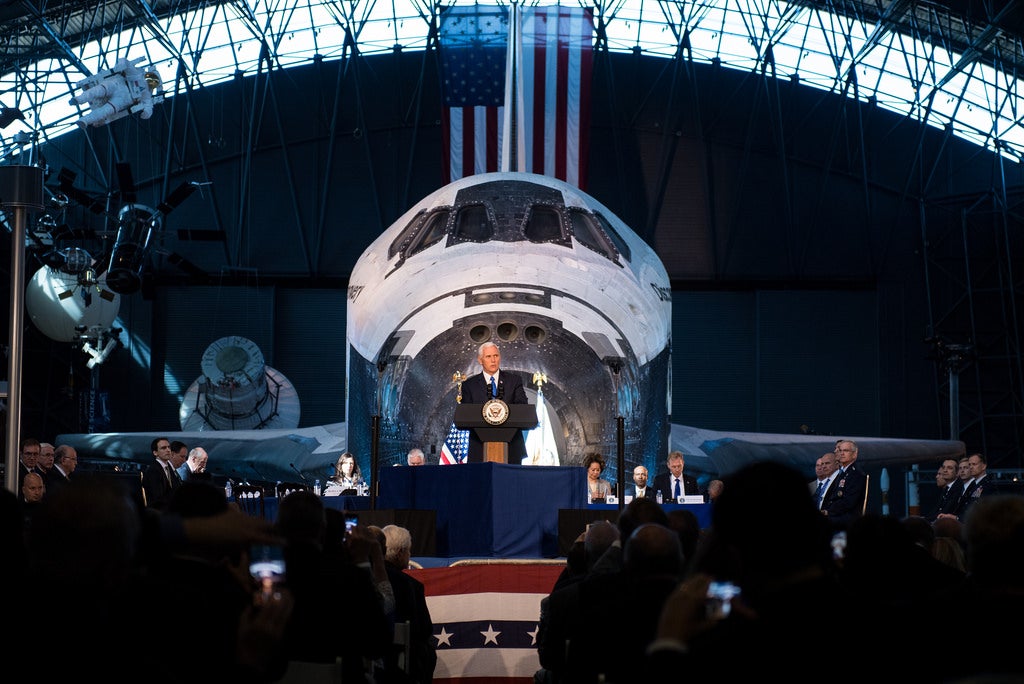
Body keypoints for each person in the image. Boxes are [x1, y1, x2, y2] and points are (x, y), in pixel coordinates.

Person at [381, 524, 437, 684]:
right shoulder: (411, 585)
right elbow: (424, 629)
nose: (409, 555)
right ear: (400, 553)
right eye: (408, 551)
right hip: (400, 663)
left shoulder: (363, 576)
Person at [458, 342, 529, 463]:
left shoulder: (514, 381)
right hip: (479, 447)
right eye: (488, 357)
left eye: (496, 356)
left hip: (511, 447)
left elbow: (522, 408)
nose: (493, 360)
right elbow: (466, 415)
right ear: (480, 360)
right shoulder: (469, 385)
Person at [820, 439, 868, 529]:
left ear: (854, 454)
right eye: (840, 450)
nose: (841, 453)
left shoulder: (856, 474)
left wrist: (828, 512)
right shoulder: (843, 473)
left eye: (845, 451)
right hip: (837, 515)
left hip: (848, 519)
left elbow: (848, 502)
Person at [141, 437, 181, 510]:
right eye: (163, 448)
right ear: (155, 453)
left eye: (169, 447)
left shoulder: (169, 467)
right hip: (158, 513)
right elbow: (157, 497)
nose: (168, 450)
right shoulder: (153, 470)